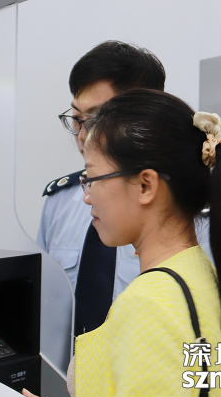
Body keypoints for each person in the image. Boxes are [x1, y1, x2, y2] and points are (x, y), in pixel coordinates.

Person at [25, 89, 221, 397]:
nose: (87, 196)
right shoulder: (198, 270)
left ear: (146, 185)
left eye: (92, 177)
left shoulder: (148, 305)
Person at [36, 41, 166, 337]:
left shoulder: (188, 207)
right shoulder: (61, 201)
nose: (82, 135)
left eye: (96, 119)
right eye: (77, 119)